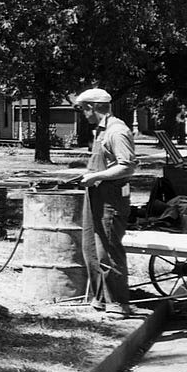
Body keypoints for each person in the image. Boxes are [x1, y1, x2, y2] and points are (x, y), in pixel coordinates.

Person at [75, 88, 136, 318]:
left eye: (83, 109)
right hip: (96, 195)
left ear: (91, 107)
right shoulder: (100, 130)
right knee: (91, 248)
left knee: (108, 250)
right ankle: (101, 299)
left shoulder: (117, 131)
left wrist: (96, 177)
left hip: (111, 198)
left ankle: (118, 304)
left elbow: (127, 166)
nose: (83, 114)